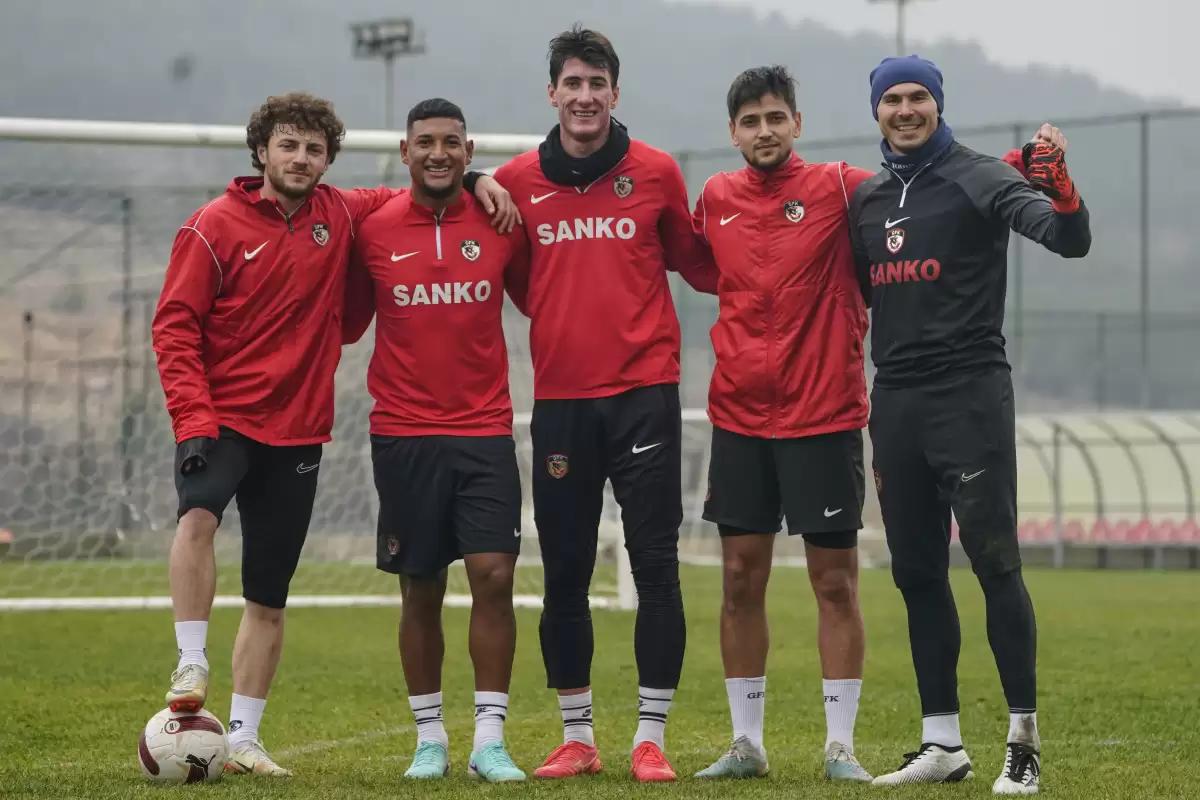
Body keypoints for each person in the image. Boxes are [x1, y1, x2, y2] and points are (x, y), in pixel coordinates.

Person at [151, 91, 517, 777]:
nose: (301, 158)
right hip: (221, 419)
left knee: (269, 590)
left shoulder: (341, 213)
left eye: (314, 149)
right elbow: (173, 325)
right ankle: (191, 658)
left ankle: (243, 738)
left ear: (327, 161)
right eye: (288, 145)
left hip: (297, 429)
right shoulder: (212, 226)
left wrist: (477, 176)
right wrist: (193, 417)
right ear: (262, 150)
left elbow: (426, 180)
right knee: (197, 516)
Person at [848, 56, 1090, 794]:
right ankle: (942, 743)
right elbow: (869, 295)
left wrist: (1063, 191)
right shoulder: (867, 201)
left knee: (994, 565)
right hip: (896, 403)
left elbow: (1067, 239)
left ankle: (1024, 740)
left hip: (971, 395)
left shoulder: (982, 176)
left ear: (938, 103)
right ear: (877, 111)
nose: (906, 109)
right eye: (893, 99)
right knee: (918, 574)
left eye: (919, 96)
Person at [491, 25, 717, 782]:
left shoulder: (654, 172)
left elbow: (696, 263)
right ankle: (578, 736)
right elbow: (518, 279)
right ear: (551, 92)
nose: (584, 97)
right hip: (559, 403)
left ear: (616, 94)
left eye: (598, 84)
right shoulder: (516, 181)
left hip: (645, 397)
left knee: (655, 566)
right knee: (564, 571)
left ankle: (650, 738)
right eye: (572, 84)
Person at [690, 65, 875, 783]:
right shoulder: (715, 198)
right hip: (739, 415)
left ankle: (839, 747)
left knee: (834, 583)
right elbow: (699, 266)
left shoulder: (840, 187)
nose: (763, 131)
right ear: (732, 132)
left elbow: (927, 191)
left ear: (797, 122)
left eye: (775, 118)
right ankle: (746, 744)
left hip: (823, 414)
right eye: (749, 121)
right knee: (739, 578)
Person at [341, 97, 531, 784]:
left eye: (452, 142)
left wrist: (492, 187)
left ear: (469, 149)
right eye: (426, 142)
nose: (439, 153)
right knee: (421, 588)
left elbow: (540, 299)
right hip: (403, 434)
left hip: (484, 431)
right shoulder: (373, 229)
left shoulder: (501, 220)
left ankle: (489, 739)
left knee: (495, 577)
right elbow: (347, 324)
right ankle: (429, 739)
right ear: (405, 150)